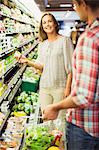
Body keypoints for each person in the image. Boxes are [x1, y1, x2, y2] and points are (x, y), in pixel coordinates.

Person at [42, 1, 99, 150]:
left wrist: (56, 106)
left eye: (75, 3)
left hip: (84, 127)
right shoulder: (43, 44)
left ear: (84, 4)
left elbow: (84, 96)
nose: (74, 7)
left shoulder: (90, 38)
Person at [15, 13, 73, 116]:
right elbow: (41, 66)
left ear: (55, 23)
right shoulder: (42, 45)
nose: (47, 24)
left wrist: (68, 88)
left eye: (50, 21)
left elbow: (71, 68)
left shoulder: (65, 41)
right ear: (42, 26)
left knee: (59, 122)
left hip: (60, 88)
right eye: (44, 23)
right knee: (46, 119)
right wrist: (27, 61)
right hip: (45, 88)